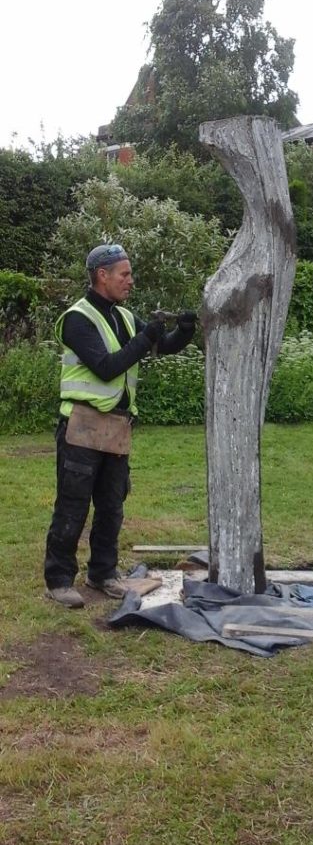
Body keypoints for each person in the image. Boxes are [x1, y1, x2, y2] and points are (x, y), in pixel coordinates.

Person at [44, 243, 197, 608]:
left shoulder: (124, 316)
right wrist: (147, 337)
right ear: (102, 275)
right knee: (73, 506)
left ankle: (103, 574)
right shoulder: (77, 318)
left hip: (115, 428)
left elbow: (165, 344)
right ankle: (59, 580)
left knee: (112, 506)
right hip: (81, 427)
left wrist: (186, 330)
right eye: (124, 274)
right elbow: (107, 366)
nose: (131, 280)